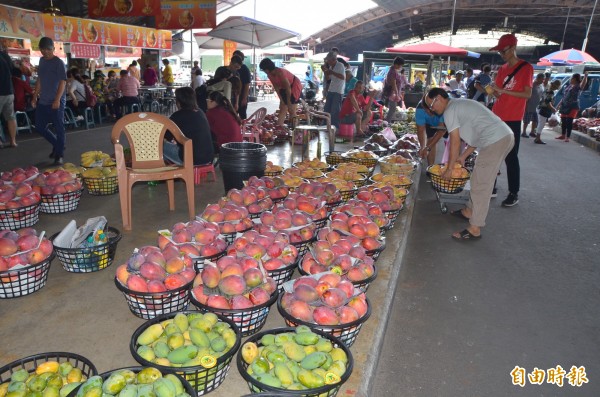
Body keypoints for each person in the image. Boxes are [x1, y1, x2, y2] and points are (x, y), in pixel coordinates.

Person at [425, 88, 514, 241]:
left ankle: (475, 228)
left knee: (481, 185)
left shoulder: (450, 110)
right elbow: (477, 134)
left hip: (495, 140)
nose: (432, 109)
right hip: (500, 137)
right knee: (477, 179)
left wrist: (450, 168)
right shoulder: (458, 105)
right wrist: (463, 156)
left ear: (439, 98)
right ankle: (468, 211)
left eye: (431, 105)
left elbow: (455, 141)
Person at [488, 33, 534, 208]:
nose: (502, 54)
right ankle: (491, 186)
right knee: (492, 152)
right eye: (499, 52)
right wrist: (491, 90)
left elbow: (527, 94)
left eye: (504, 51)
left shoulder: (526, 68)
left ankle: (513, 193)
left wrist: (503, 91)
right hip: (497, 116)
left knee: (511, 156)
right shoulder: (502, 69)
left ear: (513, 48)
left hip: (513, 118)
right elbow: (498, 94)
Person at [32, 37, 67, 165]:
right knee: (40, 127)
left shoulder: (58, 62)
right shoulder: (41, 61)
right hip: (44, 100)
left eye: (48, 49)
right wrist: (35, 96)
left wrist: (57, 100)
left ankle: (59, 154)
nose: (46, 51)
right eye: (43, 49)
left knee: (59, 128)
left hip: (57, 100)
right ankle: (58, 145)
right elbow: (40, 79)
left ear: (53, 48)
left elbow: (63, 82)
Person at [163, 87, 214, 166]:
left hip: (191, 159)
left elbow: (165, 136)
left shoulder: (177, 116)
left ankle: (168, 172)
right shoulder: (200, 112)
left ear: (179, 102)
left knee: (160, 146)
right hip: (208, 158)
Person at [259, 57, 303, 126]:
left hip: (294, 85)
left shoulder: (280, 73)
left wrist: (288, 102)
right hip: (284, 88)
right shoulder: (269, 75)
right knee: (282, 107)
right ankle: (279, 127)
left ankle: (296, 129)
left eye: (263, 69)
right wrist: (281, 100)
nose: (263, 71)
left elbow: (288, 88)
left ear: (267, 69)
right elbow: (276, 87)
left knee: (291, 109)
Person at [556, 72, 588, 142]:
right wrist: (558, 105)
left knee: (569, 121)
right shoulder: (569, 86)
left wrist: (585, 76)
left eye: (572, 78)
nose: (571, 79)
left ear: (575, 79)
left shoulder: (578, 86)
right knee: (563, 120)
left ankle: (567, 137)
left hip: (573, 106)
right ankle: (563, 135)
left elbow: (583, 84)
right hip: (564, 105)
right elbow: (564, 97)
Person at [415, 95, 446, 166]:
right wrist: (422, 147)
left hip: (444, 122)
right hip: (429, 123)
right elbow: (420, 130)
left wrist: (428, 148)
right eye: (427, 110)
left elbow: (441, 131)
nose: (430, 112)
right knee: (430, 139)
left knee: (448, 141)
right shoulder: (420, 109)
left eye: (432, 109)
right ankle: (430, 167)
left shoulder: (444, 108)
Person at [322, 51, 346, 129]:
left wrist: (331, 72)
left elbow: (342, 77)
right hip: (331, 90)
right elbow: (328, 78)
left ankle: (335, 128)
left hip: (338, 91)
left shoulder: (340, 65)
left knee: (335, 111)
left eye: (328, 60)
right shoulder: (331, 67)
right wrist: (325, 71)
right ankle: (325, 126)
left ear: (333, 59)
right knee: (327, 109)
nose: (328, 62)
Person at [0, 43, 17, 148]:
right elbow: (14, 70)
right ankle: (13, 141)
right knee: (10, 117)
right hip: (9, 92)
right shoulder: (6, 56)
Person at [535, 79, 561, 144]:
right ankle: (537, 138)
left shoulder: (547, 89)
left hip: (539, 107)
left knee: (540, 123)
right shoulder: (551, 92)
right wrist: (553, 109)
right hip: (543, 109)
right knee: (541, 124)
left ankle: (537, 137)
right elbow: (547, 102)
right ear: (557, 86)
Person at [383, 56, 408, 123]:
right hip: (393, 93)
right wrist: (397, 94)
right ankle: (387, 124)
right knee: (392, 109)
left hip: (393, 93)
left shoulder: (393, 71)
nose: (400, 67)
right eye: (400, 65)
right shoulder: (392, 72)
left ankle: (388, 123)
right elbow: (394, 84)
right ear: (396, 64)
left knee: (392, 109)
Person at [522, 73, 545, 138]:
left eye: (543, 79)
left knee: (535, 120)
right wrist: (525, 105)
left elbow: (542, 95)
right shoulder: (532, 85)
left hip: (536, 106)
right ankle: (524, 132)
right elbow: (527, 96)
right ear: (538, 78)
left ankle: (532, 132)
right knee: (527, 120)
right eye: (542, 79)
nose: (543, 81)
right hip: (529, 105)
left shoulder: (541, 86)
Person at [231, 51, 252, 119]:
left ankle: (243, 129)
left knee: (242, 115)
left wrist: (244, 98)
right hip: (233, 96)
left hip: (242, 96)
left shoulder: (244, 69)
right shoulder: (231, 69)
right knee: (233, 116)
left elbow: (247, 84)